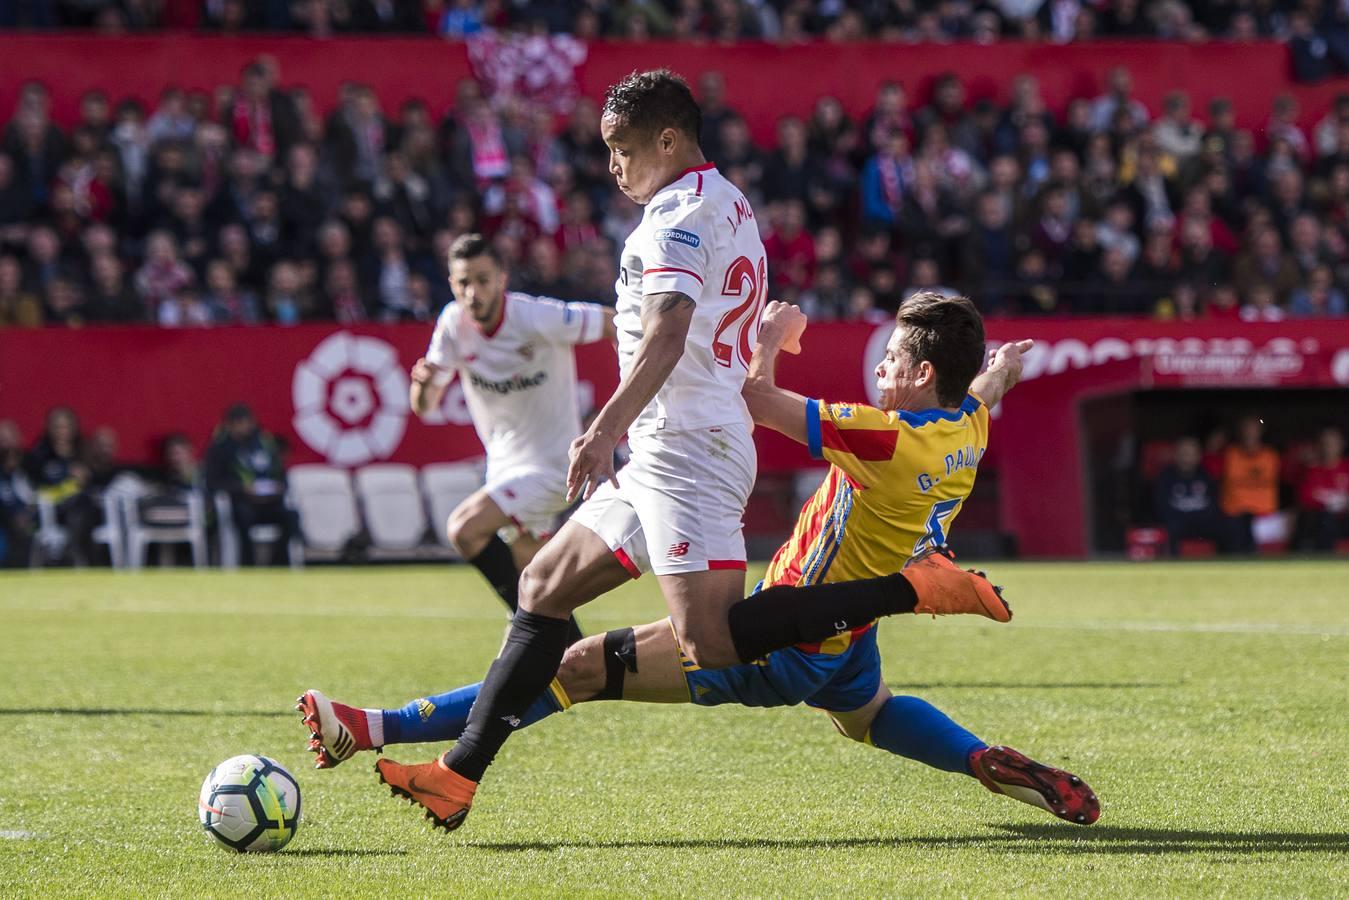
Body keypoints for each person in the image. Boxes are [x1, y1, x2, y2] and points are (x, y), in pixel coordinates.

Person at [301, 296, 1098, 827]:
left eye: (890, 361)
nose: (879, 370)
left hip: (789, 631)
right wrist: (1001, 371)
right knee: (870, 715)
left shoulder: (881, 435)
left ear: (922, 375)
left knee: (576, 665)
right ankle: (979, 761)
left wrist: (769, 342)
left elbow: (749, 400)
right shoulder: (966, 428)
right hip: (845, 638)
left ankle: (375, 729)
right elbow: (982, 393)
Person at [405, 232, 616, 643]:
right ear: (451, 284)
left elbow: (613, 321)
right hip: (504, 467)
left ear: (502, 278)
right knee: (535, 583)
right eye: (463, 282)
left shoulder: (537, 317)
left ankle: (529, 628)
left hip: (557, 467)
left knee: (464, 528)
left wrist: (639, 381)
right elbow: (424, 406)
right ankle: (568, 652)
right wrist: (423, 385)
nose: (473, 292)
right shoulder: (452, 323)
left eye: (483, 280)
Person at [204, 404, 298, 565]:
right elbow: (213, 482)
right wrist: (242, 488)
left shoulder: (265, 444)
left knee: (291, 517)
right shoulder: (219, 448)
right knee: (243, 516)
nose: (244, 427)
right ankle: (248, 564)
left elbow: (281, 474)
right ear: (230, 425)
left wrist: (278, 487)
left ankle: (278, 563)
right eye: (239, 424)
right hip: (241, 502)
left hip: (269, 502)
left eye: (247, 422)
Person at [1152, 436, 1236, 554]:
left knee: (1228, 528)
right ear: (1175, 455)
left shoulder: (1206, 476)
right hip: (1177, 523)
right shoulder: (1165, 477)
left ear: (1198, 456)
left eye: (1191, 454)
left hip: (1203, 522)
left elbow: (1214, 503)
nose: (1187, 458)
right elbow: (1162, 507)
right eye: (1184, 454)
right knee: (1168, 530)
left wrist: (1199, 518)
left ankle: (1226, 564)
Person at [1220, 415, 1280, 552]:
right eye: (1246, 429)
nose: (1249, 433)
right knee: (1235, 527)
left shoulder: (1271, 455)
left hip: (1265, 516)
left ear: (1261, 431)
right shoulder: (1229, 454)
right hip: (1234, 515)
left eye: (1253, 429)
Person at [1295, 427, 1349, 551]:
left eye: (1333, 443)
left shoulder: (1347, 467)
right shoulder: (1312, 470)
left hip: (1345, 518)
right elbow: (1305, 498)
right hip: (1322, 520)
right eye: (1325, 443)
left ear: (1341, 445)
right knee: (1324, 519)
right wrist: (1329, 503)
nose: (1328, 447)